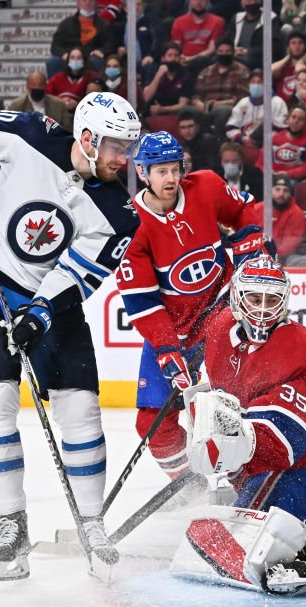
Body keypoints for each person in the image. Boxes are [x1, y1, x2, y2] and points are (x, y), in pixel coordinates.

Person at [0, 91, 142, 580]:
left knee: (79, 407)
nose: (125, 159)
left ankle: (92, 522)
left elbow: (78, 274)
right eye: (118, 146)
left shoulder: (120, 214)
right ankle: (12, 523)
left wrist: (39, 313)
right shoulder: (29, 134)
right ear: (89, 138)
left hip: (55, 310)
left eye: (129, 149)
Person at [170, 256, 306, 593]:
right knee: (224, 523)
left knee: (215, 538)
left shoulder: (296, 344)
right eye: (255, 298)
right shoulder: (220, 327)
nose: (263, 309)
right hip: (272, 470)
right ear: (238, 297)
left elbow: (284, 446)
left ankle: (292, 546)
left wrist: (227, 443)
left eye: (272, 300)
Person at [116, 131, 264, 482]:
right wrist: (168, 351)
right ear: (142, 172)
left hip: (222, 308)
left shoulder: (207, 186)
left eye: (174, 169)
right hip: (174, 328)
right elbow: (142, 301)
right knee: (152, 420)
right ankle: (190, 486)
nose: (170, 178)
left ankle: (249, 475)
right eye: (161, 171)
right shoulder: (128, 226)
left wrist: (250, 249)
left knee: (230, 402)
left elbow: (242, 211)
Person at [192, 38, 250, 136]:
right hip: (205, 108)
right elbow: (197, 94)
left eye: (227, 51)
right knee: (189, 111)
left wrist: (218, 104)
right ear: (216, 52)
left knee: (222, 110)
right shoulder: (206, 71)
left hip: (230, 108)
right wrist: (197, 102)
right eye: (221, 51)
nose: (224, 54)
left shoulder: (242, 71)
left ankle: (220, 143)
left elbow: (242, 99)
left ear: (233, 52)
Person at [49, 0, 114, 76]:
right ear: (78, 3)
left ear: (96, 3)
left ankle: (97, 86)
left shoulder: (104, 25)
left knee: (96, 61)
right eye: (84, 0)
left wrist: (101, 51)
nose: (87, 2)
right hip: (70, 56)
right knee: (53, 62)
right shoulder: (66, 24)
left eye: (91, 1)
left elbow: (110, 46)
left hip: (91, 56)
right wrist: (63, 54)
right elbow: (55, 46)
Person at [225, 68, 288, 145]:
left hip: (269, 144)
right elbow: (231, 127)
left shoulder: (278, 102)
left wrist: (261, 141)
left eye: (259, 82)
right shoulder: (243, 103)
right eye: (253, 82)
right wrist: (243, 138)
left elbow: (281, 129)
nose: (256, 85)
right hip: (245, 142)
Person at [258, 105, 306, 181]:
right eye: (293, 117)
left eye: (301, 119)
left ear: (305, 124)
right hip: (272, 177)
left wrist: (288, 174)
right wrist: (269, 173)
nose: (296, 121)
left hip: (296, 180)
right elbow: (260, 163)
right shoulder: (274, 138)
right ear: (287, 120)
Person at [254, 174, 306, 260]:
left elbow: (289, 246)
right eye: (277, 189)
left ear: (290, 193)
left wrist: (267, 255)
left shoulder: (297, 213)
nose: (281, 194)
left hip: (282, 259)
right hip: (256, 255)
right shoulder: (257, 209)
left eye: (285, 190)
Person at [171, 0, 225, 73]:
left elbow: (212, 48)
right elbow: (176, 46)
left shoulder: (218, 21)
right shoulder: (179, 21)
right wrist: (182, 58)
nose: (198, 2)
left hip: (205, 62)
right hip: (183, 61)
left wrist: (192, 59)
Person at [141, 42, 194, 116]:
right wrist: (159, 75)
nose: (173, 59)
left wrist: (162, 109)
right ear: (163, 58)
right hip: (153, 114)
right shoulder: (153, 71)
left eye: (176, 56)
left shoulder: (186, 75)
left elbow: (183, 105)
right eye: (169, 55)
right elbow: (146, 97)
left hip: (176, 115)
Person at [7, 71, 72, 130]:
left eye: (40, 86)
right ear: (27, 86)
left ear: (45, 85)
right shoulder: (16, 106)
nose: (37, 88)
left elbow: (67, 130)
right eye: (34, 86)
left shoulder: (59, 105)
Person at [46, 46, 92, 114]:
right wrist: (60, 101)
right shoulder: (58, 77)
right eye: (72, 58)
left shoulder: (91, 77)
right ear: (68, 60)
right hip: (59, 113)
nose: (75, 60)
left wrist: (78, 104)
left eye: (79, 58)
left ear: (84, 60)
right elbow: (47, 96)